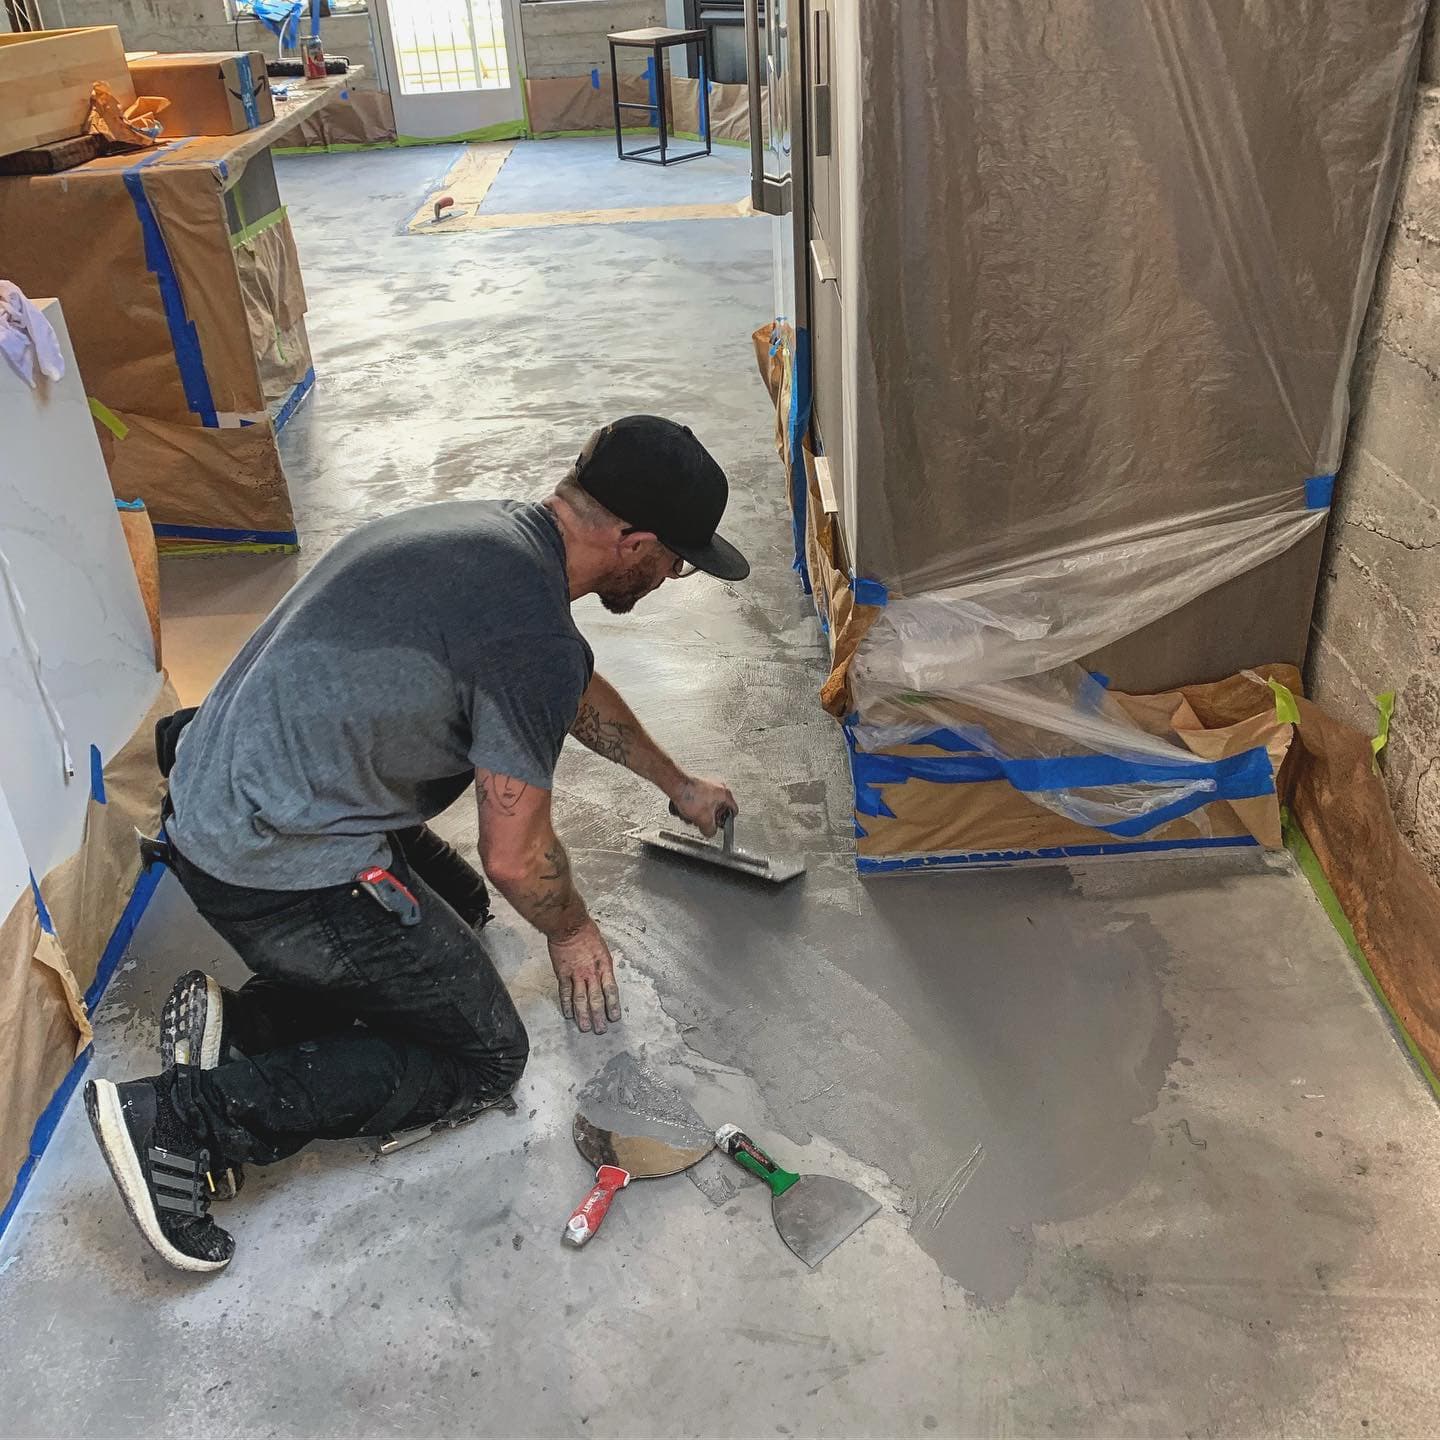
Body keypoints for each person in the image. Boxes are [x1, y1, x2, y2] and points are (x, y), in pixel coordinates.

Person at [85, 416, 749, 1274]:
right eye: (676, 561)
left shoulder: (495, 539)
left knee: (460, 910)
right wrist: (573, 928)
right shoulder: (529, 634)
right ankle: (180, 1123)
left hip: (230, 787)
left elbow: (566, 687)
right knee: (483, 1054)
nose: (671, 577)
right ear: (636, 543)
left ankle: (245, 1023)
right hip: (267, 858)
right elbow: (517, 857)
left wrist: (677, 783)